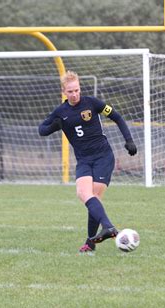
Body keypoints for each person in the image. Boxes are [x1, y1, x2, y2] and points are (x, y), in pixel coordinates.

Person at [38, 71, 137, 253]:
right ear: (63, 92)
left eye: (76, 90)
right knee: (84, 194)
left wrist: (129, 140)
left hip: (103, 157)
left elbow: (117, 117)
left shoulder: (92, 103)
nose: (74, 94)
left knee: (94, 198)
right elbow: (42, 130)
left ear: (80, 88)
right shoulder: (61, 112)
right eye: (70, 91)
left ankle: (91, 242)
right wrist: (55, 125)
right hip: (83, 160)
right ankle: (108, 228)